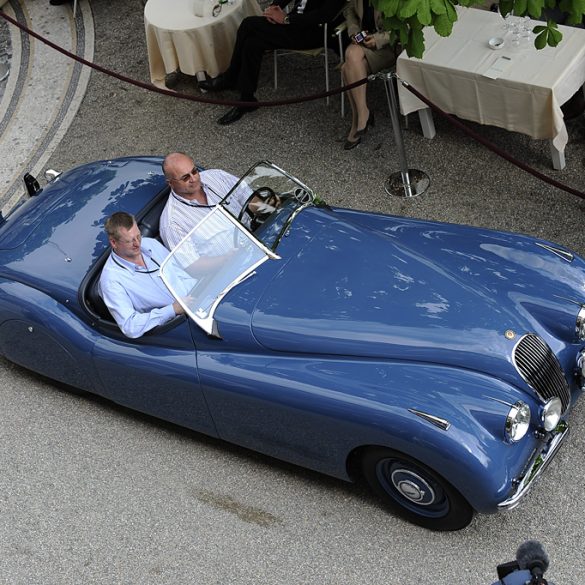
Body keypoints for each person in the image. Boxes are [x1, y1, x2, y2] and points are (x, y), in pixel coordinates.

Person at [199, 0, 345, 125]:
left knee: (248, 24)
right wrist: (274, 7)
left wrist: (286, 19)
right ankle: (247, 99)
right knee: (253, 43)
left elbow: (325, 15)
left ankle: (230, 78)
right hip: (293, 23)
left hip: (312, 32)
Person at [99, 212, 186, 339]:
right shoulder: (111, 280)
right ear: (113, 243)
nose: (137, 244)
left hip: (199, 305)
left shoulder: (151, 244)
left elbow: (181, 273)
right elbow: (130, 325)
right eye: (129, 241)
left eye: (138, 236)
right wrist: (172, 310)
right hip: (175, 328)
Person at [159, 152, 252, 249]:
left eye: (194, 171)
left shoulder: (217, 176)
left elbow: (251, 199)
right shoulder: (173, 224)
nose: (194, 179)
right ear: (170, 183)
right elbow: (192, 263)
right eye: (185, 177)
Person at [341, 0, 397, 150]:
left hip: (389, 46)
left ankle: (359, 117)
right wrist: (354, 32)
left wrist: (379, 39)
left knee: (349, 62)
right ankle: (361, 114)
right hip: (363, 42)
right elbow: (349, 10)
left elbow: (407, 27)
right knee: (348, 64)